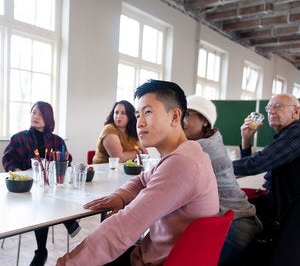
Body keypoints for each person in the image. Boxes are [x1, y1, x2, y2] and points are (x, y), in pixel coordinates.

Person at [57, 79, 219, 265]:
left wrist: (66, 263)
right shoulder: (185, 153)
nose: (139, 123)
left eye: (148, 112)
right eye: (137, 114)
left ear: (175, 117)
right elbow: (143, 180)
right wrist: (121, 196)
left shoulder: (182, 163)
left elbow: (124, 227)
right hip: (155, 255)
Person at [183, 95, 262, 266]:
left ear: (204, 121)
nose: (181, 121)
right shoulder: (213, 138)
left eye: (187, 115)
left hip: (233, 229)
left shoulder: (200, 147)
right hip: (243, 221)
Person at [2, 101, 81, 266]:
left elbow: (66, 161)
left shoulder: (57, 141)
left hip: (49, 190)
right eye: (33, 112)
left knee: (47, 196)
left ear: (48, 118)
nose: (35, 116)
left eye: (39, 113)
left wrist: (59, 164)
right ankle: (68, 223)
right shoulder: (19, 138)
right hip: (27, 191)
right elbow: (7, 158)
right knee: (42, 199)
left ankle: (41, 252)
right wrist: (20, 173)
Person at [233, 93, 300, 265]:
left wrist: (210, 166)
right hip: (282, 212)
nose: (271, 110)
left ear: (296, 112)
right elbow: (251, 165)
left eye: (278, 106)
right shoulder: (284, 136)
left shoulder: (296, 133)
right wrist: (246, 139)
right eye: (268, 107)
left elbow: (258, 163)